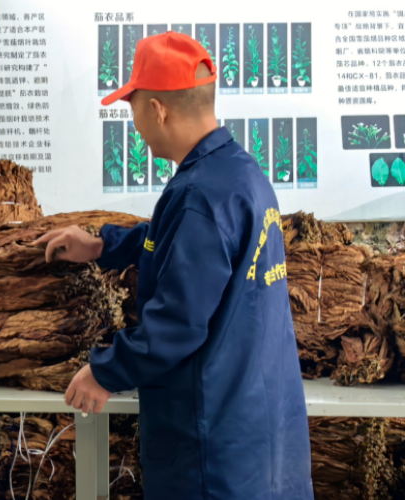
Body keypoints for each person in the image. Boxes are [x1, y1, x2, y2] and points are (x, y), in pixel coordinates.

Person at [36, 32, 314, 499]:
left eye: (132, 108)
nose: (135, 125)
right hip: (255, 431)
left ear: (157, 109)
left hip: (210, 449)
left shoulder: (197, 195)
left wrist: (104, 371)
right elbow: (183, 243)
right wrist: (103, 246)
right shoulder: (239, 172)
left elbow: (177, 324)